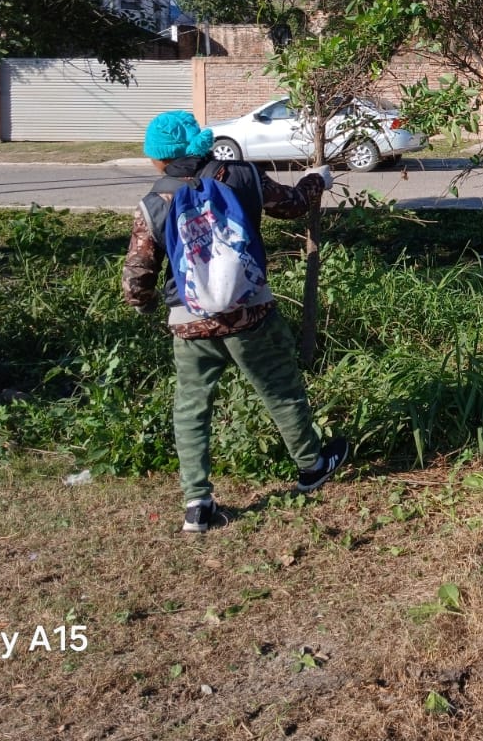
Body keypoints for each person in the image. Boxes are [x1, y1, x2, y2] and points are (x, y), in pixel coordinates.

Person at [122, 110, 349, 533]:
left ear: (161, 158)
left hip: (190, 321)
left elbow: (137, 274)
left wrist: (145, 305)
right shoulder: (242, 176)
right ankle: (311, 466)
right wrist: (318, 179)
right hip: (251, 313)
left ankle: (197, 504)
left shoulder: (155, 202)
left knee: (191, 408)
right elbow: (295, 205)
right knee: (279, 388)